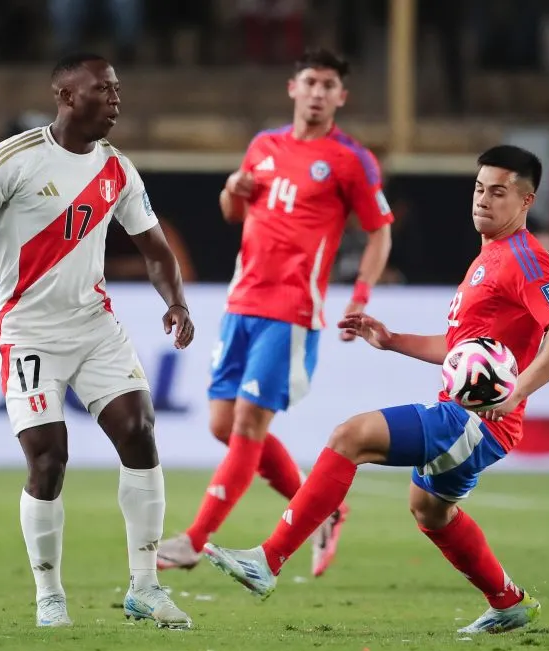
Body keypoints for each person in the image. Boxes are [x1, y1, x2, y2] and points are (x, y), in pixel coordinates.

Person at [203, 145, 549, 635]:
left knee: (350, 436)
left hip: (474, 421)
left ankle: (268, 559)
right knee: (430, 511)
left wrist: (514, 394)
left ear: (526, 200)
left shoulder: (525, 259)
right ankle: (508, 602)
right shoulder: (491, 255)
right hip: (477, 421)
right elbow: (458, 349)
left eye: (498, 192)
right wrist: (391, 341)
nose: (483, 201)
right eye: (478, 189)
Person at [0, 53, 195, 630]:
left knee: (140, 432)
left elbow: (156, 251)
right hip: (28, 333)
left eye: (118, 90)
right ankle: (50, 595)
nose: (116, 100)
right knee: (49, 460)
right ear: (66, 96)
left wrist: (176, 303)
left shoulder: (118, 169)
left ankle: (145, 588)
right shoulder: (13, 159)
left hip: (94, 326)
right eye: (104, 90)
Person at [156, 48, 394, 579]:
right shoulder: (263, 146)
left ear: (341, 96)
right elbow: (232, 211)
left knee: (247, 422)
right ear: (293, 88)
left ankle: (194, 539)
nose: (317, 92)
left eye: (328, 84)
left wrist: (360, 294)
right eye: (310, 81)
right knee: (225, 425)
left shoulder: (351, 159)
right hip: (242, 301)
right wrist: (230, 189)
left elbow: (380, 231)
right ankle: (326, 507)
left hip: (291, 310)